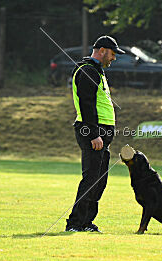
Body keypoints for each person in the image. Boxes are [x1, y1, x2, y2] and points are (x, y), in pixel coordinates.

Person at [65, 36, 125, 233]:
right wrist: (93, 134)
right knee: (91, 178)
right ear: (101, 50)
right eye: (112, 54)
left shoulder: (96, 70)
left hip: (101, 132)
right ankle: (75, 224)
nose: (114, 58)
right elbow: (86, 104)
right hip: (93, 131)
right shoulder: (88, 70)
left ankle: (86, 222)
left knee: (99, 180)